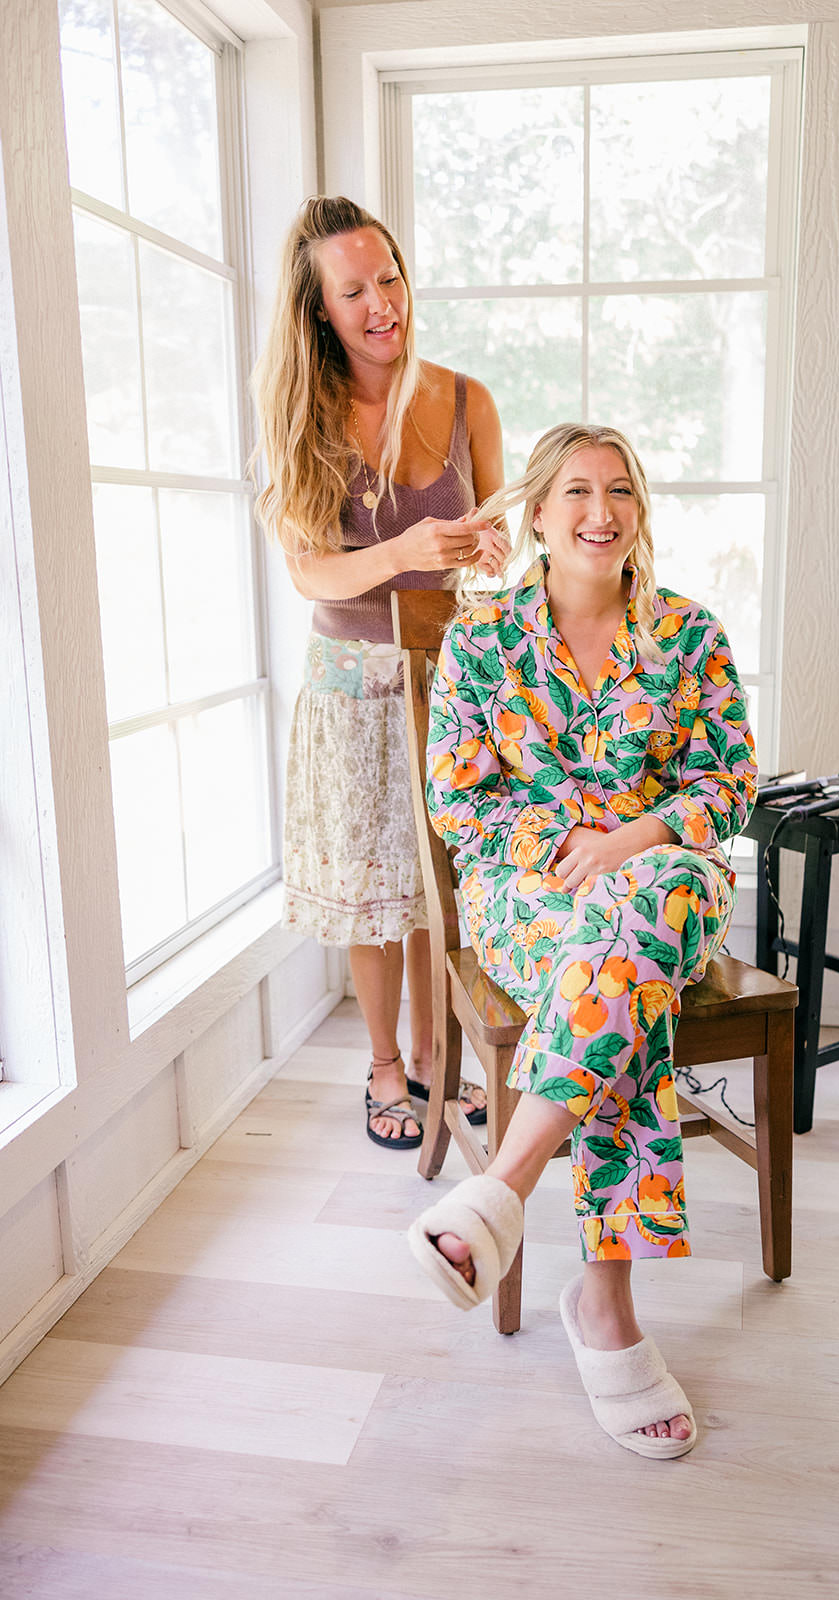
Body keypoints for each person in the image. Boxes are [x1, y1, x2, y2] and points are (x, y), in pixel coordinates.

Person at [406, 423, 757, 1459]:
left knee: (634, 922)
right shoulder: (481, 640)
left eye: (619, 491)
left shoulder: (690, 635)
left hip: (668, 877)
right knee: (617, 973)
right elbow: (457, 800)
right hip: (531, 888)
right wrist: (570, 844)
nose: (599, 511)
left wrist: (632, 839)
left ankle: (498, 1194)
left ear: (637, 512)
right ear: (539, 514)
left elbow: (727, 785)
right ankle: (602, 1307)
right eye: (575, 491)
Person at [252, 197, 508, 1150]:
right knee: (374, 888)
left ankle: (441, 1060)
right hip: (353, 683)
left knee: (441, 883)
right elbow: (309, 568)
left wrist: (485, 548)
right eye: (353, 290)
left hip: (453, 676)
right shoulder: (301, 413)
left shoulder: (464, 398)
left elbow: (497, 536)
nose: (380, 304)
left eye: (389, 278)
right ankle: (385, 1069)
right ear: (320, 309)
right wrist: (402, 551)